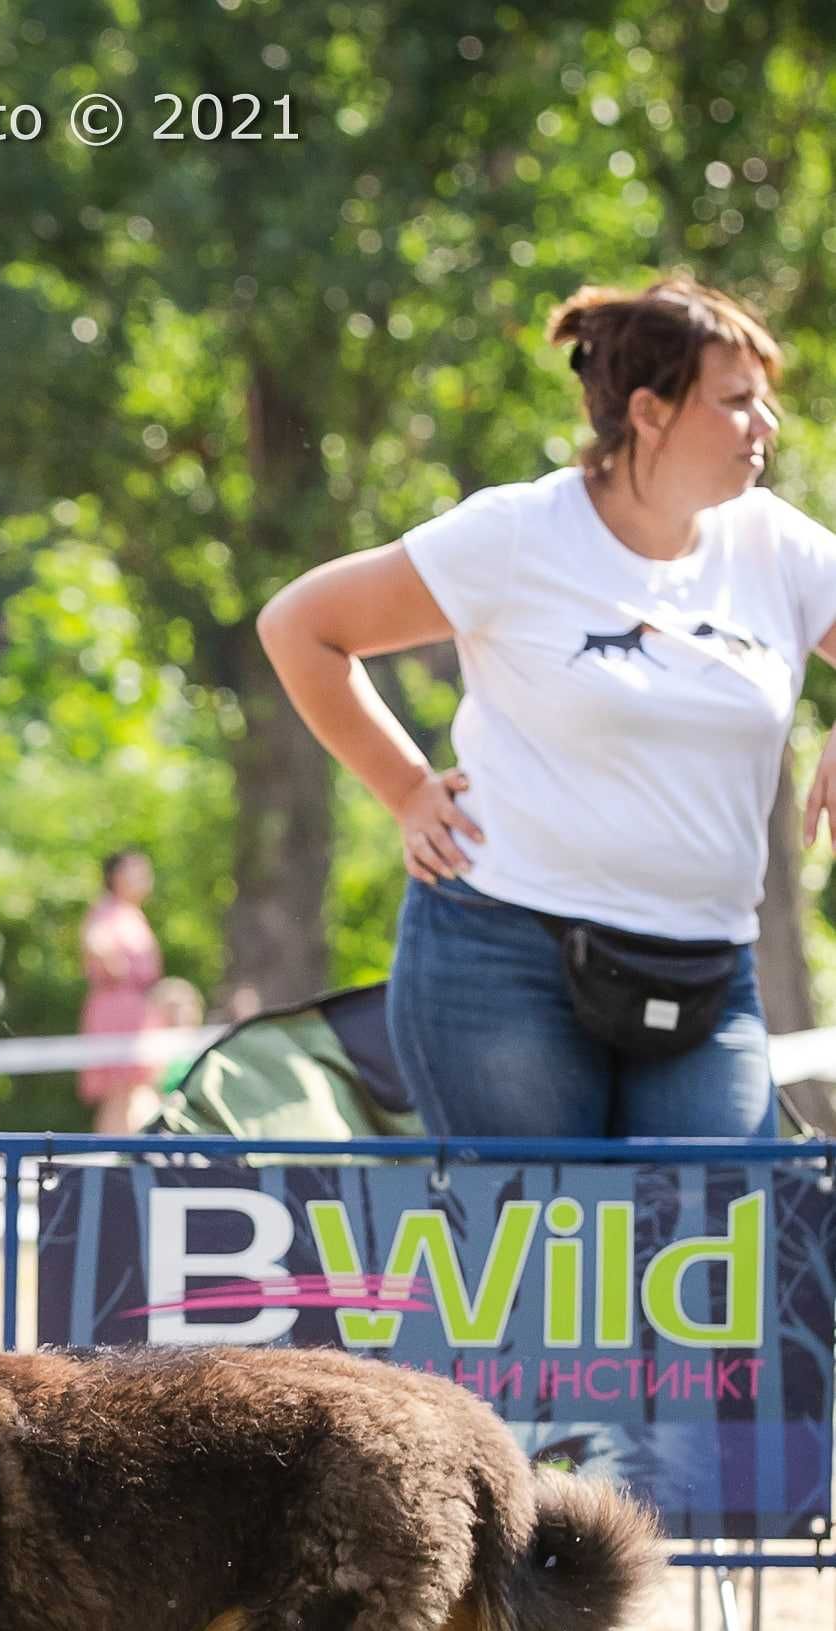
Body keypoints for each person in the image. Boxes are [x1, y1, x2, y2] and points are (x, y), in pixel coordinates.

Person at [257, 275, 836, 1140]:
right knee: (539, 1264)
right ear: (651, 413)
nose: (766, 425)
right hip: (501, 964)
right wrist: (407, 789)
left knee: (720, 1254)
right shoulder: (519, 534)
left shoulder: (777, 544)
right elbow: (300, 626)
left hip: (706, 976)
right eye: (737, 401)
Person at [75, 849, 163, 1134]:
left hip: (138, 1012)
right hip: (116, 1011)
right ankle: (111, 1163)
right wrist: (116, 967)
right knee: (118, 1092)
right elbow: (94, 942)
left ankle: (130, 1158)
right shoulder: (107, 910)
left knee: (136, 1090)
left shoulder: (133, 915)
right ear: (115, 877)